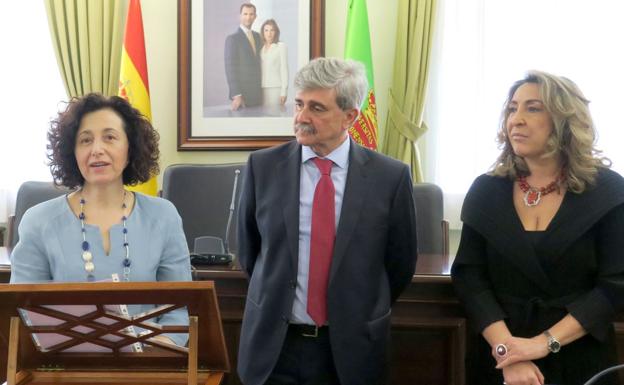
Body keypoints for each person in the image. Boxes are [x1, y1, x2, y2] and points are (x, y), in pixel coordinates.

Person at [236, 57, 418, 385]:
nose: (301, 117)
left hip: (351, 350)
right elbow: (249, 251)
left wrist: (356, 304)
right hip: (274, 348)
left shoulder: (390, 177)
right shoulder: (262, 168)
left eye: (317, 108)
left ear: (350, 116)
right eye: (298, 104)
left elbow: (399, 263)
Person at [451, 70, 624, 385]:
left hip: (578, 353)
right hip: (499, 357)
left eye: (532, 108)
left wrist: (542, 344)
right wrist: (508, 352)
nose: (516, 119)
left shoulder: (609, 191)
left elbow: (615, 286)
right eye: (512, 109)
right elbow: (470, 279)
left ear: (564, 119)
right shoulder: (487, 190)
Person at [10, 93, 192, 347]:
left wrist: (154, 354)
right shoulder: (38, 221)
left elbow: (179, 311)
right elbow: (24, 312)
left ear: (131, 148)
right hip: (64, 368)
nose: (97, 150)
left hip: (150, 362)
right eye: (85, 140)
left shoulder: (164, 216)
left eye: (110, 137)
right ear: (71, 152)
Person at [224, 3, 262, 111]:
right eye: (245, 14)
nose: (248, 17)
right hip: (242, 96)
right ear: (240, 16)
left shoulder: (258, 37)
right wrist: (237, 95)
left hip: (258, 94)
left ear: (255, 16)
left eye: (251, 14)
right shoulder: (232, 39)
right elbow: (230, 69)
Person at [259, 19, 288, 107]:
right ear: (263, 32)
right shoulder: (261, 48)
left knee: (274, 114)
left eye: (272, 30)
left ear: (276, 32)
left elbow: (284, 69)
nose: (269, 33)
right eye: (266, 30)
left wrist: (284, 91)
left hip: (275, 88)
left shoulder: (281, 46)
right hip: (262, 88)